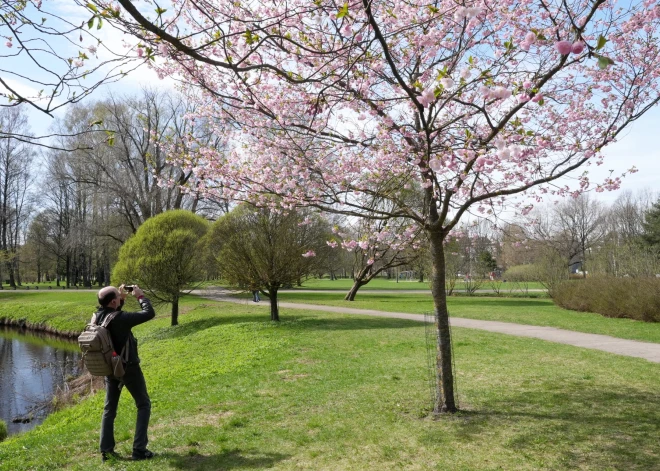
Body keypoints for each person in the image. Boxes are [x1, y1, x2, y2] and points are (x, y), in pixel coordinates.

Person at [95, 284, 155, 462]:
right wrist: (140, 296)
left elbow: (113, 317)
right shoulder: (121, 318)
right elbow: (149, 313)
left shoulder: (97, 316)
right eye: (117, 298)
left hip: (110, 368)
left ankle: (106, 451)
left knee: (109, 409)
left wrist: (120, 299)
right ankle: (139, 450)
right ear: (113, 301)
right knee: (143, 404)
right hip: (128, 367)